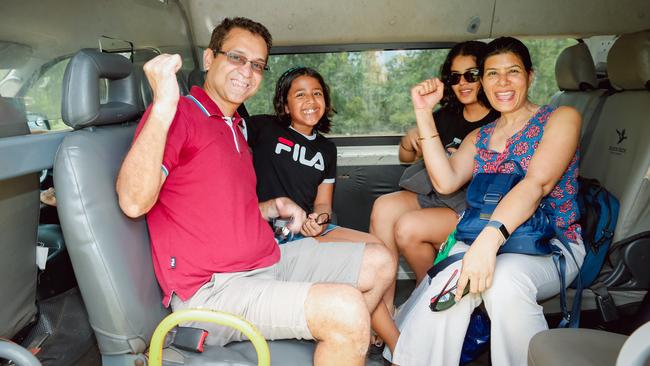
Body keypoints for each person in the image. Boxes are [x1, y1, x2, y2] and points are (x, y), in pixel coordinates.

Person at [115, 17, 395, 366]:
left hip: (267, 263)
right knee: (347, 309)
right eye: (236, 57)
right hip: (213, 290)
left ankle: (338, 344)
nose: (246, 71)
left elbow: (223, 207)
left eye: (257, 64)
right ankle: (343, 331)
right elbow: (132, 201)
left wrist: (274, 205)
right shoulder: (180, 115)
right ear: (208, 59)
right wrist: (163, 106)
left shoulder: (235, 126)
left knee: (381, 262)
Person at [385, 37, 585, 366]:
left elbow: (537, 184)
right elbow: (445, 180)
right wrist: (423, 112)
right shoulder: (480, 136)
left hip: (552, 242)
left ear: (530, 76)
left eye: (513, 72)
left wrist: (488, 241)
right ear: (483, 81)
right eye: (492, 74)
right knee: (447, 283)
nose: (502, 82)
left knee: (503, 281)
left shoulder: (561, 118)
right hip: (486, 239)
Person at [247, 66, 399, 352]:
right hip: (276, 231)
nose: (311, 101)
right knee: (374, 263)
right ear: (285, 102)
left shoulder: (327, 149)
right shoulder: (263, 128)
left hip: (312, 228)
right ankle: (389, 340)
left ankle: (371, 325)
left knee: (382, 249)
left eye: (317, 93)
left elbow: (322, 202)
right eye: (300, 94)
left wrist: (320, 218)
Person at [369, 41, 499, 305]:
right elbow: (406, 158)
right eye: (454, 77)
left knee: (407, 229)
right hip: (437, 195)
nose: (462, 83)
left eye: (471, 75)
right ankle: (383, 308)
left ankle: (425, 288)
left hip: (471, 206)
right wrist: (409, 141)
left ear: (486, 75)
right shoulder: (446, 115)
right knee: (383, 207)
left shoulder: (499, 121)